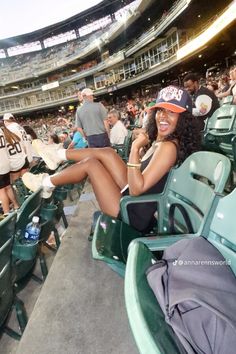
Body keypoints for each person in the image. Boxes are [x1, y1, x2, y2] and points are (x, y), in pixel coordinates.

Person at [22, 86, 201, 233]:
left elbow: (137, 189)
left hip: (133, 212)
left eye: (172, 112)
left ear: (183, 118)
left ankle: (46, 182)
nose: (162, 116)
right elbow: (143, 179)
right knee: (107, 152)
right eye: (160, 110)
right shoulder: (170, 142)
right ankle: (57, 155)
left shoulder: (169, 147)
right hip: (137, 198)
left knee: (92, 165)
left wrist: (135, 148)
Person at [0, 123, 19, 214]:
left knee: (1, 190)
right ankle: (16, 205)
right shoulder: (1, 130)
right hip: (6, 162)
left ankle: (6, 213)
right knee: (7, 187)